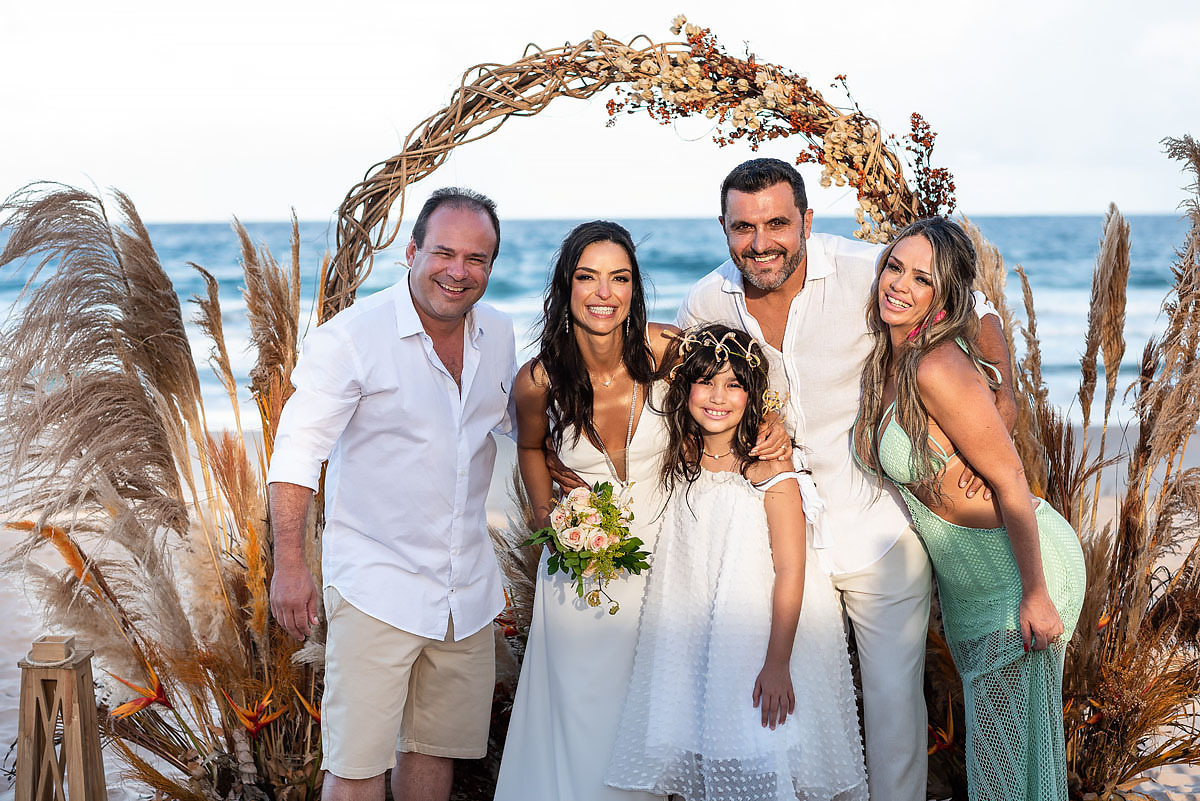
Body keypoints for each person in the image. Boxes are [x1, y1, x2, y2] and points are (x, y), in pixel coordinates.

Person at [675, 158, 1017, 800]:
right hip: (779, 542)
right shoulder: (705, 300)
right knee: (791, 707)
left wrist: (1006, 397)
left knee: (891, 704)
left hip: (877, 531)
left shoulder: (865, 271)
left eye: (777, 224)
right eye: (743, 227)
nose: (760, 242)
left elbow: (978, 308)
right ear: (723, 228)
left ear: (806, 221)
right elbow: (690, 388)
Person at [494, 222, 789, 801]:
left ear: (635, 288)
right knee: (582, 713)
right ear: (566, 287)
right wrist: (546, 516)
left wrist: (771, 418)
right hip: (584, 569)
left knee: (658, 714)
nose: (604, 293)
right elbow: (529, 447)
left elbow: (736, 376)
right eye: (588, 277)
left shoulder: (666, 349)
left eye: (620, 278)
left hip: (669, 556)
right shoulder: (537, 381)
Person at [266, 187, 516, 801]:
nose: (458, 271)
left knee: (434, 753)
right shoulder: (353, 338)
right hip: (377, 587)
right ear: (411, 251)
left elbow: (520, 422)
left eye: (477, 258)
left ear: (491, 265)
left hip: (466, 594)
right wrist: (290, 564)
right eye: (444, 253)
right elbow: (297, 451)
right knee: (355, 768)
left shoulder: (500, 334)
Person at [853, 217, 1085, 800]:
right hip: (972, 586)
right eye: (894, 267)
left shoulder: (936, 366)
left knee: (1006, 775)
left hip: (1015, 574)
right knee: (1004, 767)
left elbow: (1011, 478)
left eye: (921, 278)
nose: (898, 284)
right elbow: (984, 311)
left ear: (943, 295)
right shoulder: (890, 358)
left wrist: (1036, 594)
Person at [605, 324, 867, 801]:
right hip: (696, 637)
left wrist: (778, 663)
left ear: (754, 396)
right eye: (705, 382)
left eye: (734, 385)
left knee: (757, 747)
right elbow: (626, 337)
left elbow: (791, 571)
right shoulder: (683, 455)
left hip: (756, 638)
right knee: (703, 743)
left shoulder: (770, 469)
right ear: (685, 387)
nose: (718, 397)